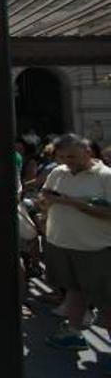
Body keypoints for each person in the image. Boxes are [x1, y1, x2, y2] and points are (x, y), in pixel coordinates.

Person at [40, 134, 111, 357]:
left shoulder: (105, 177)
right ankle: (72, 332)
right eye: (62, 157)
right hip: (61, 243)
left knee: (107, 301)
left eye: (71, 156)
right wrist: (46, 202)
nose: (66, 161)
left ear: (87, 153)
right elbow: (45, 197)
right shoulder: (58, 172)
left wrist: (70, 202)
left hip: (94, 249)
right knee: (73, 290)